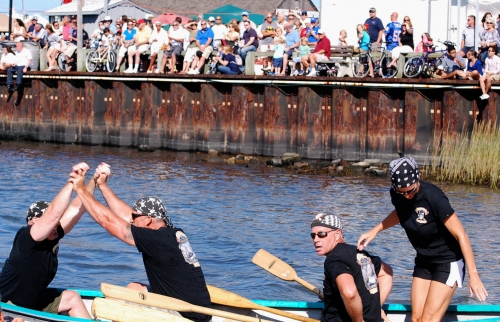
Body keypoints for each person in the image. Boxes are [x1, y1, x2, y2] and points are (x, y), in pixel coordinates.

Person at [68, 163, 212, 321]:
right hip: (197, 310)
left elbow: (107, 221)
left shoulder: (156, 240)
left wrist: (80, 189)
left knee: (122, 306)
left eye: (135, 217)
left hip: (184, 316)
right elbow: (125, 216)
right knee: (133, 288)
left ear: (149, 220)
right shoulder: (172, 233)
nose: (131, 220)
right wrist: (102, 186)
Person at [358, 156, 488, 322]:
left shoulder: (434, 197)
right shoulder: (398, 194)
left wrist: (473, 274)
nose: (407, 196)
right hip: (424, 260)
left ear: (417, 179)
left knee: (427, 320)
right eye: (402, 192)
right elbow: (402, 212)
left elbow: (461, 235)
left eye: (411, 191)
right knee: (416, 319)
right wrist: (375, 230)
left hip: (448, 261)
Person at [0, 163, 93, 319]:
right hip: (9, 307)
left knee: (72, 297)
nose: (56, 224)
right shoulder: (25, 237)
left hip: (33, 304)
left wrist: (93, 182)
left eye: (56, 223)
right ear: (33, 221)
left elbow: (78, 208)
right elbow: (53, 216)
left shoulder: (53, 234)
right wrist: (71, 182)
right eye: (50, 222)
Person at [311, 213, 393, 322]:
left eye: (321, 234)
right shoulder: (359, 253)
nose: (316, 239)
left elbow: (349, 293)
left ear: (337, 234)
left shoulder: (334, 260)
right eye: (313, 235)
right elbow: (386, 273)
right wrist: (376, 308)